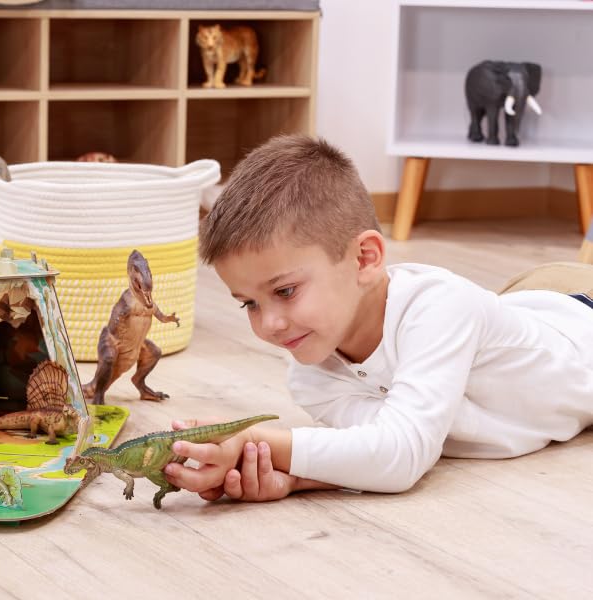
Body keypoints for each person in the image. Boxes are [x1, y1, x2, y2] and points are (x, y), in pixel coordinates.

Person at [163, 134, 593, 502]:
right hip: (522, 309)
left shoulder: (440, 307)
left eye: (285, 291)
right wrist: (295, 478)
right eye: (249, 304)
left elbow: (401, 455)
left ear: (365, 258)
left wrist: (257, 440)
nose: (269, 324)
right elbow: (389, 448)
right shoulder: (312, 378)